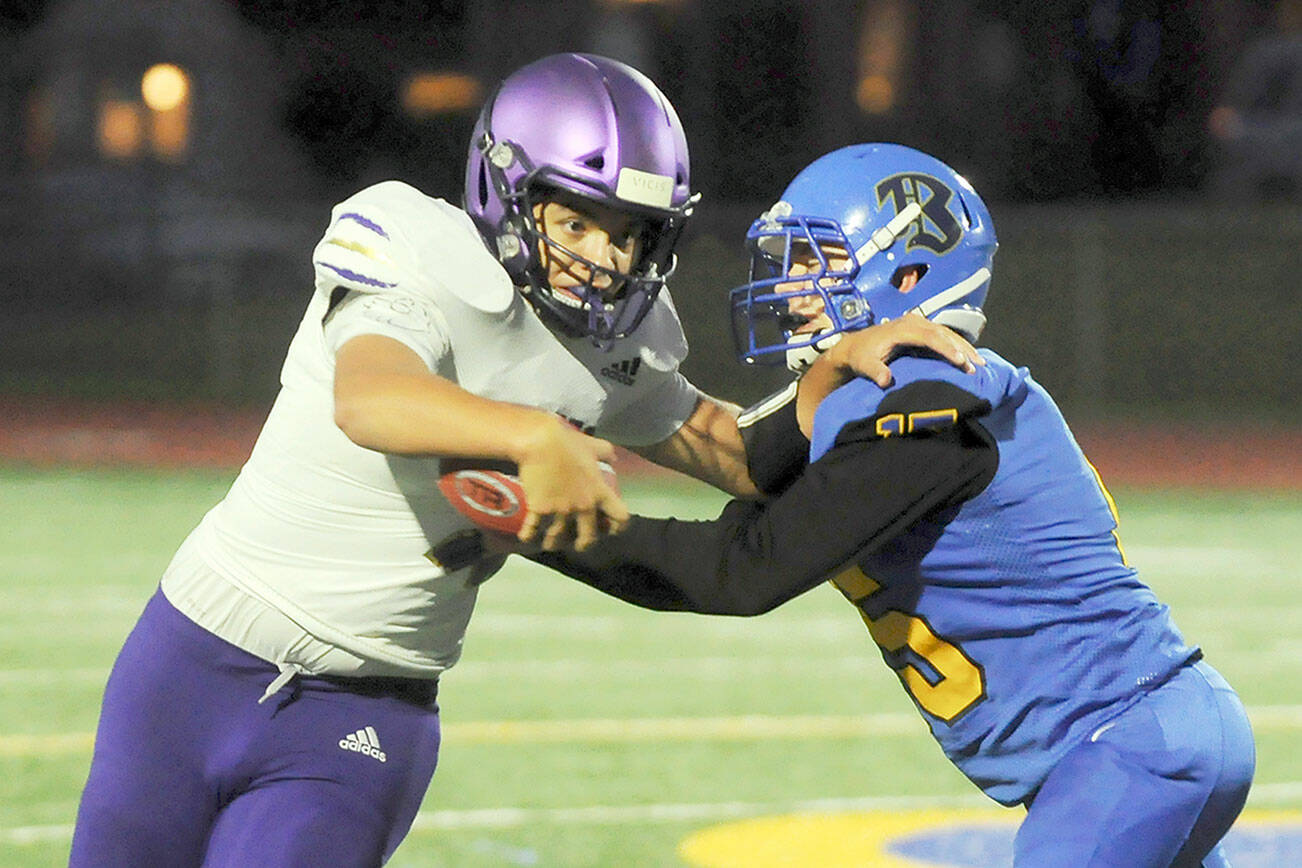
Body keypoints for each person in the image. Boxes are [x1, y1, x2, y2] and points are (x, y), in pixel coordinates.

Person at [69, 57, 978, 866]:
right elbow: (371, 399)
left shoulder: (618, 342)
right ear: (506, 189)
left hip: (366, 707)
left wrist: (837, 374)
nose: (603, 258)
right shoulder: (413, 243)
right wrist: (535, 435)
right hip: (191, 661)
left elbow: (732, 452)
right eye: (577, 222)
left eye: (629, 233)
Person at [529, 143, 1256, 867]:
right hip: (1149, 737)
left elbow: (739, 571)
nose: (793, 289)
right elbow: (756, 481)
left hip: (1125, 745)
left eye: (818, 262)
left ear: (906, 274)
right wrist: (830, 369)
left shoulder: (925, 402)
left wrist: (533, 522)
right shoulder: (890, 393)